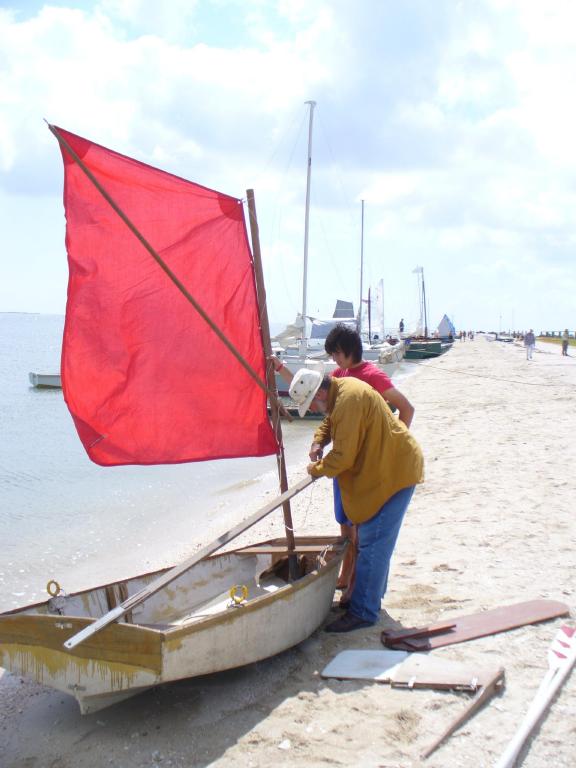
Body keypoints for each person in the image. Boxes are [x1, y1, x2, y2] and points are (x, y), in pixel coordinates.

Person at [271, 324, 415, 604]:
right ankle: (346, 577)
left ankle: (356, 592)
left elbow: (406, 409)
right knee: (346, 525)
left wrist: (389, 449)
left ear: (347, 351)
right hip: (344, 464)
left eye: (335, 354)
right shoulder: (337, 378)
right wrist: (318, 443)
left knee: (365, 533)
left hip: (367, 467)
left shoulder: (372, 376)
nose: (333, 361)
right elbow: (312, 396)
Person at [288, 370, 424, 632]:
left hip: (394, 472)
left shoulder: (347, 400)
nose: (316, 409)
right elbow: (330, 423)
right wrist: (318, 442)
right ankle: (369, 600)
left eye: (313, 404)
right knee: (373, 541)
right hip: (387, 468)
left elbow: (342, 457)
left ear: (320, 393)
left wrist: (314, 470)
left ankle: (364, 611)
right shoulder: (341, 392)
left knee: (372, 543)